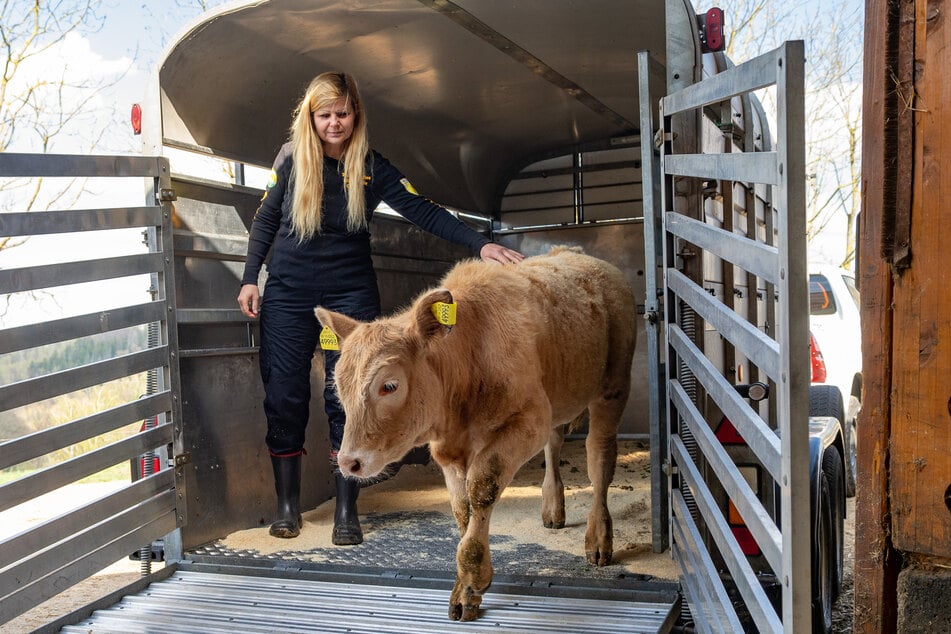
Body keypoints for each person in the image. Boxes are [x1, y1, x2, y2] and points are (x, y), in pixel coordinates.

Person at [237, 71, 523, 545]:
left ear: (356, 115)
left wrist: (481, 245)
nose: (335, 124)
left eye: (343, 114)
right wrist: (251, 278)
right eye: (325, 115)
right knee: (283, 395)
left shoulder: (370, 164)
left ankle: (346, 511)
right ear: (310, 118)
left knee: (347, 398)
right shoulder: (291, 160)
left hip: (349, 296)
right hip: (288, 293)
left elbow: (422, 209)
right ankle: (287, 508)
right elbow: (265, 217)